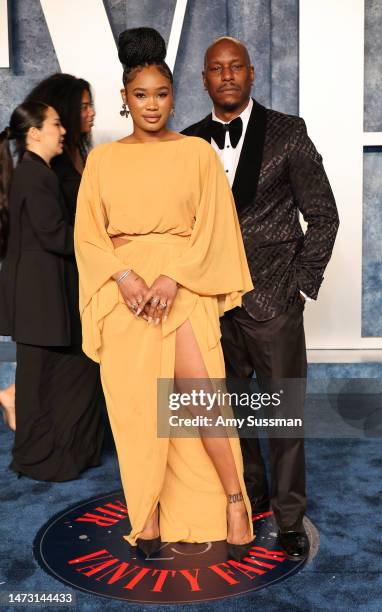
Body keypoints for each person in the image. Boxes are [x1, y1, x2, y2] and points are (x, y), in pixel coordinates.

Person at [74, 27, 254, 559]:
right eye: (140, 95)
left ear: (175, 96)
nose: (152, 105)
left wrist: (172, 277)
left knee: (200, 403)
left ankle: (233, 500)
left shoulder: (197, 153)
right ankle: (147, 515)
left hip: (182, 286)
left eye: (161, 94)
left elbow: (216, 229)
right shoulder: (104, 160)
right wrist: (126, 278)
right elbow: (87, 234)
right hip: (123, 293)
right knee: (134, 411)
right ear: (125, 101)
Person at [183, 36, 339, 560]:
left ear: (251, 75)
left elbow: (323, 215)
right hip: (208, 307)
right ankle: (248, 498)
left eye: (236, 68)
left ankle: (290, 517)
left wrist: (296, 284)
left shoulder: (289, 133)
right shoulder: (186, 144)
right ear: (204, 80)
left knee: (281, 418)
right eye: (216, 69)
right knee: (226, 414)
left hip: (272, 303)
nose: (226, 76)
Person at [0, 99, 104, 481]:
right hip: (40, 296)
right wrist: (105, 242)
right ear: (35, 132)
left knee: (44, 379)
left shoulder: (33, 172)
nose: (64, 131)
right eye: (56, 124)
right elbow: (54, 235)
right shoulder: (34, 175)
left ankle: (52, 453)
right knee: (45, 380)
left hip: (41, 294)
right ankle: (41, 456)